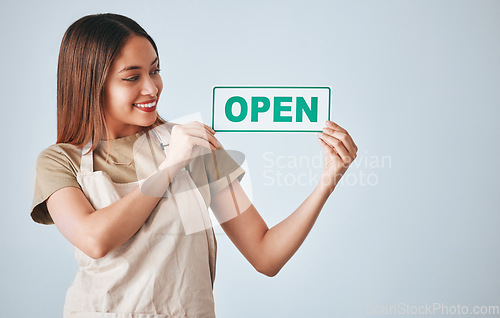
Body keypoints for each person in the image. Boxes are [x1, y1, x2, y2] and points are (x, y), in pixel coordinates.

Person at [31, 13, 358, 318]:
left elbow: (265, 254)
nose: (152, 88)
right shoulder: (61, 161)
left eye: (155, 71)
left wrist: (327, 179)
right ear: (90, 85)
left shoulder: (194, 145)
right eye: (132, 77)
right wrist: (170, 168)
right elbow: (95, 239)